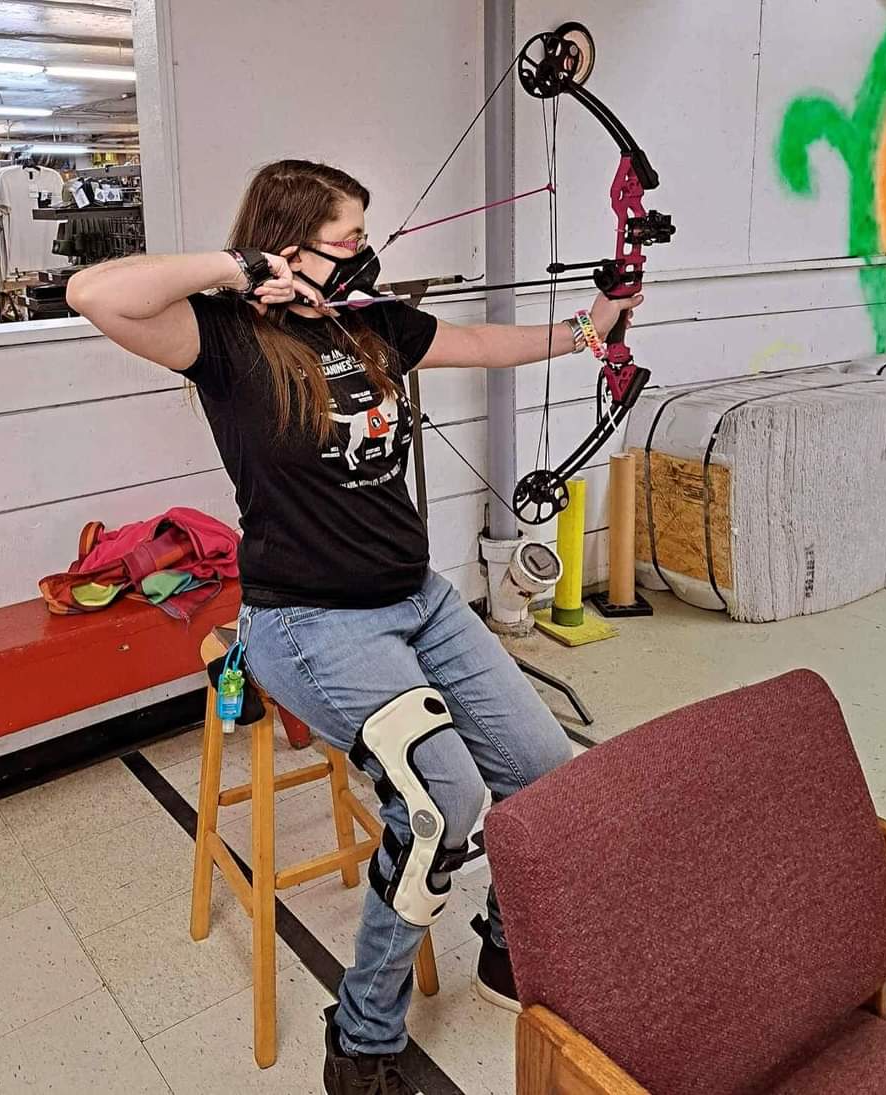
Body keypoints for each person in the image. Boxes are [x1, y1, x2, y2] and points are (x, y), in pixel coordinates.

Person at [67, 159, 642, 1095]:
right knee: (438, 806)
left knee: (543, 770)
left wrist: (591, 327)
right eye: (346, 238)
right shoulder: (221, 338)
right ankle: (363, 1036)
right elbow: (95, 292)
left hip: (416, 598)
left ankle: (504, 942)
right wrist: (232, 267)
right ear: (285, 244)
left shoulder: (370, 323)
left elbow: (484, 342)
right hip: (304, 621)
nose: (364, 253)